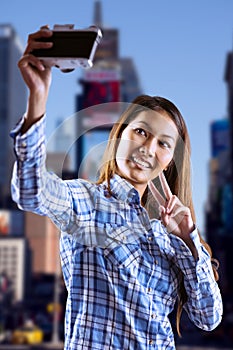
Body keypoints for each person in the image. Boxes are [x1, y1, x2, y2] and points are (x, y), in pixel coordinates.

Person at [11, 27, 223, 350]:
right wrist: (37, 99)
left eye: (163, 143)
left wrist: (188, 239)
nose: (148, 148)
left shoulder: (170, 237)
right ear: (119, 135)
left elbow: (209, 317)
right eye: (140, 132)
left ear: (169, 161)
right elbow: (31, 190)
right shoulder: (87, 204)